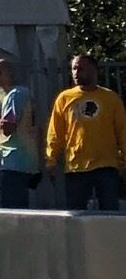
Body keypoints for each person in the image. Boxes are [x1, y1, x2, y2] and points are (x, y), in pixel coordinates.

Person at [43, 54, 125, 212]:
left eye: (80, 68)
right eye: (73, 69)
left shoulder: (111, 98)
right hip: (76, 166)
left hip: (106, 165)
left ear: (94, 70)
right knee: (76, 213)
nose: (75, 72)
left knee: (110, 212)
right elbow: (55, 131)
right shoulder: (64, 98)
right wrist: (51, 159)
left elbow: (122, 131)